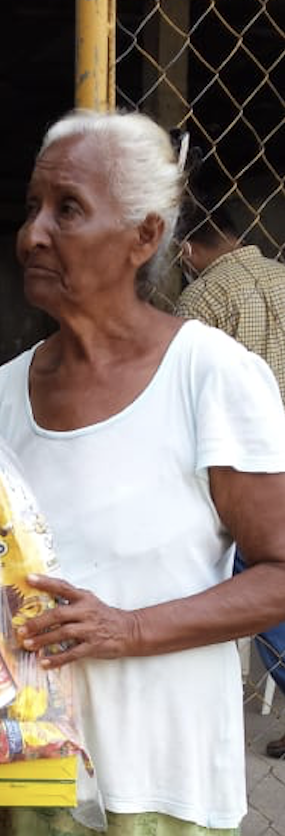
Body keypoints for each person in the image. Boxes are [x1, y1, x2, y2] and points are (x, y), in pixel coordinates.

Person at [0, 109, 285, 836]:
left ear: (144, 236)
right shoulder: (0, 395)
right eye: (32, 208)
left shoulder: (209, 374)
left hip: (160, 785)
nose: (32, 234)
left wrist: (128, 629)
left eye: (67, 209)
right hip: (21, 773)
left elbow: (279, 570)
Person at [176, 199, 285, 759]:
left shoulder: (202, 297)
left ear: (187, 249)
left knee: (257, 584)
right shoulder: (282, 278)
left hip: (242, 474)